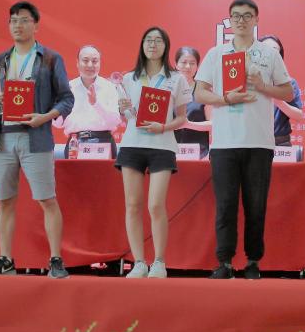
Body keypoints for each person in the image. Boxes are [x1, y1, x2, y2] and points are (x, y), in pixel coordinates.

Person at [194, 0, 295, 280]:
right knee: (225, 205)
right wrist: (225, 99)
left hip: (259, 142)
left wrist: (262, 86)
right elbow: (199, 93)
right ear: (229, 20)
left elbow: (287, 92)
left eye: (247, 15)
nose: (241, 20)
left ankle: (253, 261)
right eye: (236, 16)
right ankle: (224, 261)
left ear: (256, 20)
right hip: (224, 142)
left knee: (256, 205)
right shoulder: (216, 54)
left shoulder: (268, 54)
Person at [0, 1, 74, 278]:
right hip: (3, 138)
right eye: (13, 21)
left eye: (23, 20)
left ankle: (56, 260)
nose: (17, 26)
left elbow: (66, 99)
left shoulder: (50, 59)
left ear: (36, 26)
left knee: (47, 200)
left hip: (36, 138)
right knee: (5, 200)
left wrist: (45, 117)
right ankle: (5, 259)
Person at [114, 27, 190, 278]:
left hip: (162, 145)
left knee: (156, 205)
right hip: (132, 144)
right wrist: (123, 108)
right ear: (142, 45)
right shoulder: (128, 78)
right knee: (132, 205)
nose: (153, 44)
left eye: (158, 40)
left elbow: (182, 117)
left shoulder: (176, 79)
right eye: (148, 40)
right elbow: (127, 117)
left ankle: (159, 261)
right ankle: (138, 262)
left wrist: (163, 127)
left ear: (166, 46)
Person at [53, 45, 121, 158]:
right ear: (77, 63)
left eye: (94, 61)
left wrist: (96, 103)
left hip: (104, 142)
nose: (90, 65)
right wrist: (60, 107)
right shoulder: (67, 88)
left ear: (99, 63)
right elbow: (57, 124)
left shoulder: (109, 87)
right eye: (85, 60)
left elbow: (114, 121)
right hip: (75, 142)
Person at [259, 35, 304, 149]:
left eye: (275, 51)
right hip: (251, 142)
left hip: (280, 143)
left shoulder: (289, 83)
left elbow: (299, 116)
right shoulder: (245, 81)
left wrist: (278, 101)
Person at [173, 46, 212, 159]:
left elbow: (213, 124)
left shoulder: (204, 91)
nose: (188, 66)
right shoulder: (166, 90)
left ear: (197, 67)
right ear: (176, 65)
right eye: (184, 62)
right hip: (169, 153)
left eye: (192, 63)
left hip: (198, 154)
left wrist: (188, 124)